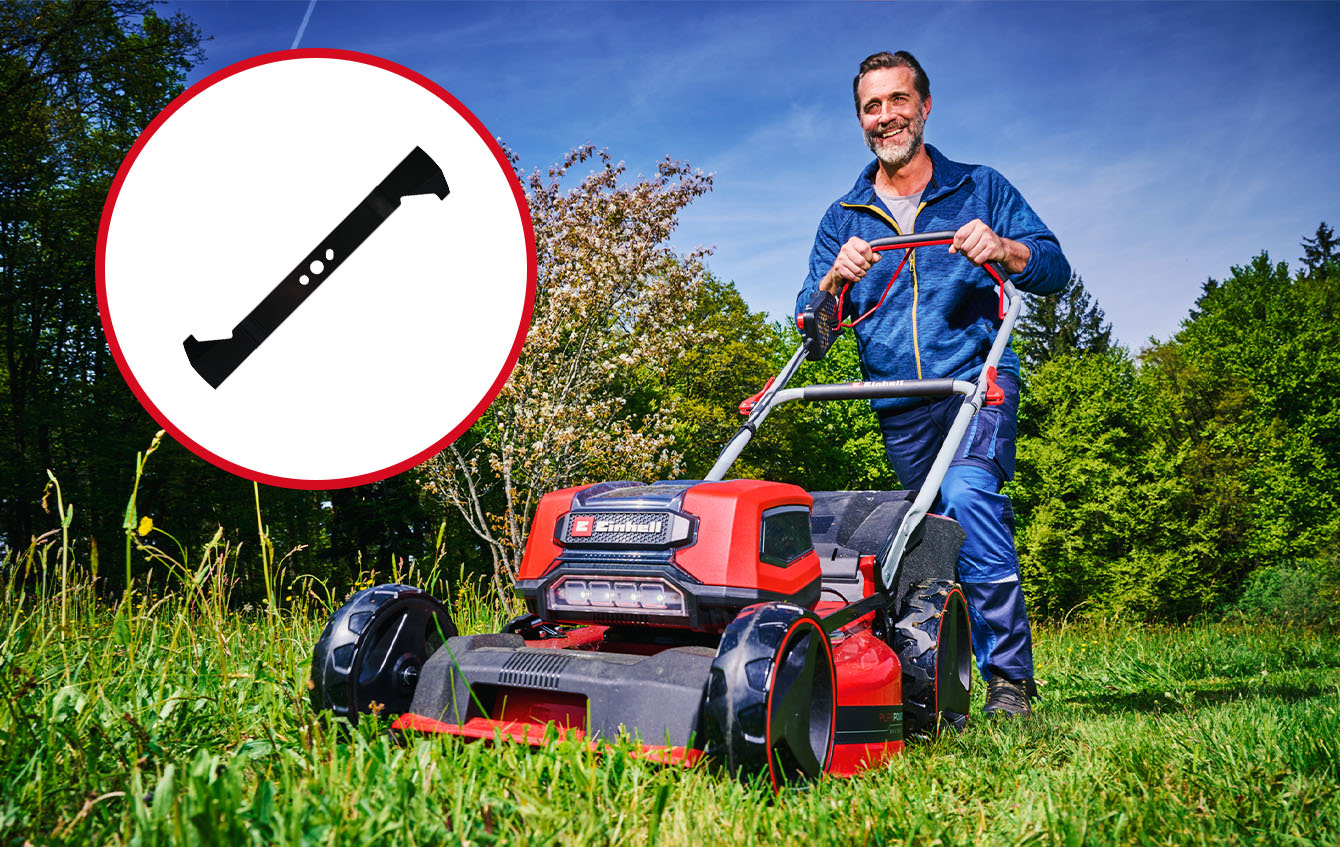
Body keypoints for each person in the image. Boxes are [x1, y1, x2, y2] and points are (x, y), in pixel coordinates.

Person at [795, 51, 1071, 717]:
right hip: (898, 403)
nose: (886, 116)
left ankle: (1009, 680)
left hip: (976, 381)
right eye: (872, 106)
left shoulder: (981, 187)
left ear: (923, 107)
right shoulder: (844, 215)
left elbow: (1055, 269)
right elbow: (814, 326)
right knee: (925, 534)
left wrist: (1003, 248)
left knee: (971, 493)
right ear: (861, 119)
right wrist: (835, 280)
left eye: (897, 100)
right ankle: (927, 676)